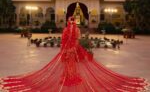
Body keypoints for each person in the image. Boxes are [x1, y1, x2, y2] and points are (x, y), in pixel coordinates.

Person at [0, 16, 149, 92]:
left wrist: (66, 49)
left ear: (67, 22)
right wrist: (73, 48)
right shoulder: (75, 30)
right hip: (71, 49)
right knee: (70, 63)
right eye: (73, 22)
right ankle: (70, 77)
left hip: (67, 50)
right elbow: (75, 39)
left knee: (68, 63)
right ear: (74, 23)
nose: (72, 24)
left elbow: (66, 40)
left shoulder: (66, 30)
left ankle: (69, 77)